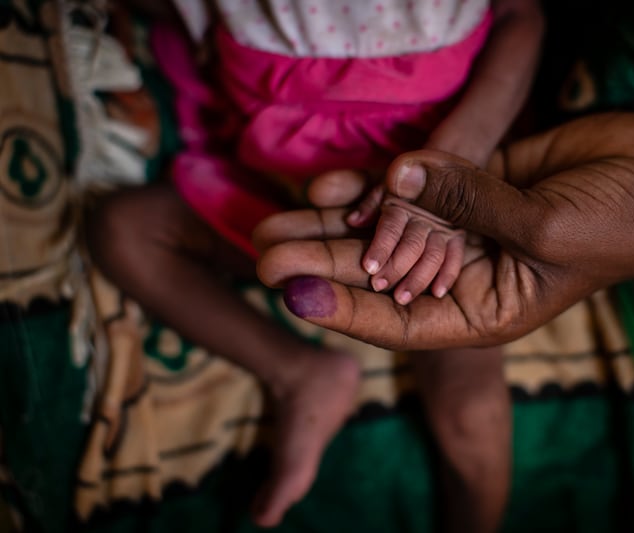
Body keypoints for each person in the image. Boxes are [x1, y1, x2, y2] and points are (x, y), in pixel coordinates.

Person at [86, 0, 544, 530]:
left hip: (438, 219)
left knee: (467, 409)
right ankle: (299, 374)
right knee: (123, 231)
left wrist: (448, 173)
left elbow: (521, 17)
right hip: (282, 208)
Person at [254, 111, 634, 530]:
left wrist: (449, 164)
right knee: (464, 408)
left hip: (465, 170)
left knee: (468, 412)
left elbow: (519, 20)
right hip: (416, 184)